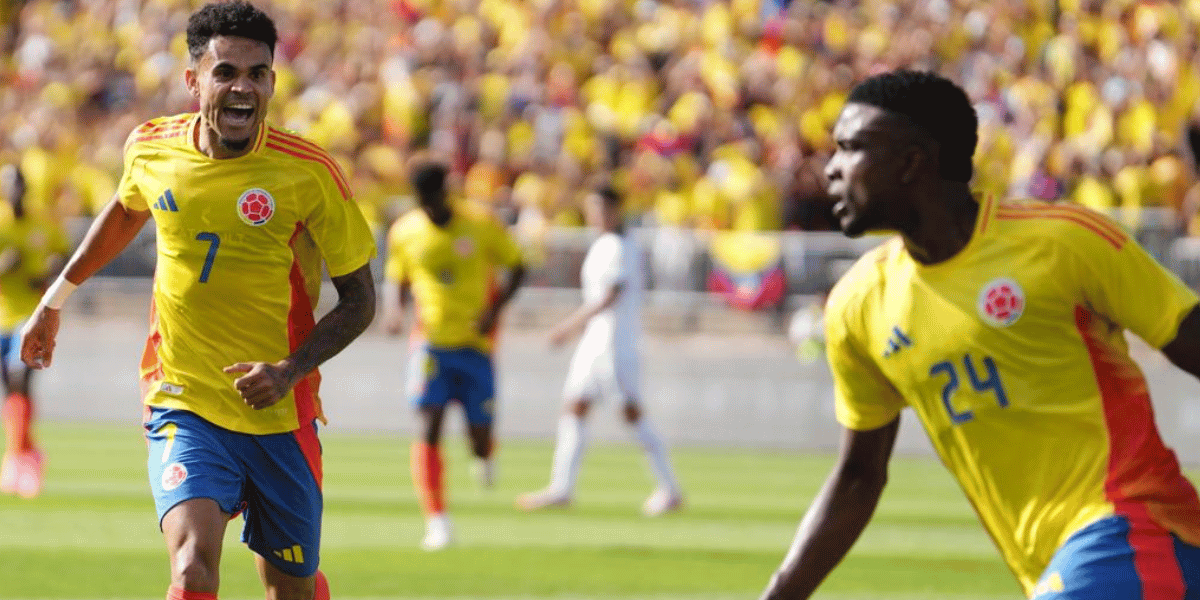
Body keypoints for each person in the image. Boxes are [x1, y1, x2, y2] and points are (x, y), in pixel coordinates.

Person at [759, 69, 1200, 600]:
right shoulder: (859, 306)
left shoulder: (1061, 243)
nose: (830, 169)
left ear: (911, 161)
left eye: (851, 148)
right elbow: (858, 477)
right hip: (1058, 568)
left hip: (1137, 531)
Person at [19, 3, 377, 600]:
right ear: (193, 80)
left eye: (257, 73)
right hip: (183, 399)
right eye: (226, 72)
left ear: (272, 82)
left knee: (290, 585)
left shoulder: (308, 174)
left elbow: (361, 300)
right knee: (191, 566)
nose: (243, 87)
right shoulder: (152, 148)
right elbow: (125, 211)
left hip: (279, 413)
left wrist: (289, 371)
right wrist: (55, 300)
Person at [382, 158, 525, 551]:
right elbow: (397, 275)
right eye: (424, 200)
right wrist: (394, 311)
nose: (431, 206)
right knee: (427, 426)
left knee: (478, 438)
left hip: (477, 346)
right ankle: (437, 520)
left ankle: (484, 453)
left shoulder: (481, 223)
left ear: (448, 191)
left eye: (436, 197)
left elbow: (518, 265)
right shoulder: (407, 231)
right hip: (430, 344)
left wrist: (494, 313)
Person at [516, 183, 684, 516]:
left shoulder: (621, 246)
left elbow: (609, 296)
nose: (595, 215)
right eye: (592, 208)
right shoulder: (604, 244)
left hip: (614, 343)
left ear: (615, 210)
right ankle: (561, 487)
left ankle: (670, 489)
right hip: (595, 341)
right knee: (574, 406)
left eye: (601, 208)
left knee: (630, 413)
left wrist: (567, 327)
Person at [0, 163, 68, 498]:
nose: (13, 191)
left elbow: (65, 259)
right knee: (11, 389)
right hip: (1, 316)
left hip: (30, 317)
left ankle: (19, 458)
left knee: (19, 377)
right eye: (7, 185)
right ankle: (24, 453)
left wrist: (49, 273)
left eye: (17, 185)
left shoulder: (43, 221)